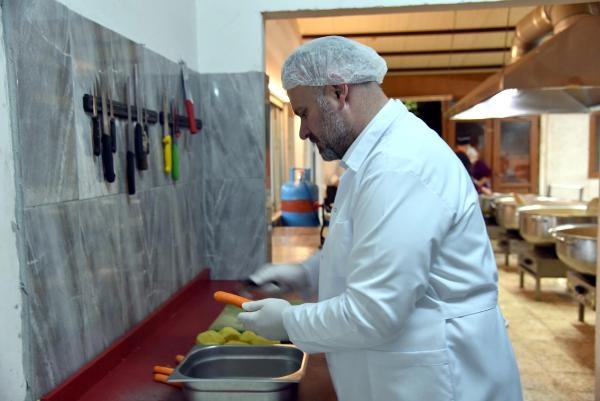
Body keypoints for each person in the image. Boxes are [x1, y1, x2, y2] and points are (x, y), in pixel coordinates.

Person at [238, 36, 522, 401]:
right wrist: (307, 273)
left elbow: (375, 311)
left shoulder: (398, 165)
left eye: (304, 113)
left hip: (443, 379)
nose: (303, 131)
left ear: (338, 92)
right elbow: (370, 247)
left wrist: (288, 322)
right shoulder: (372, 158)